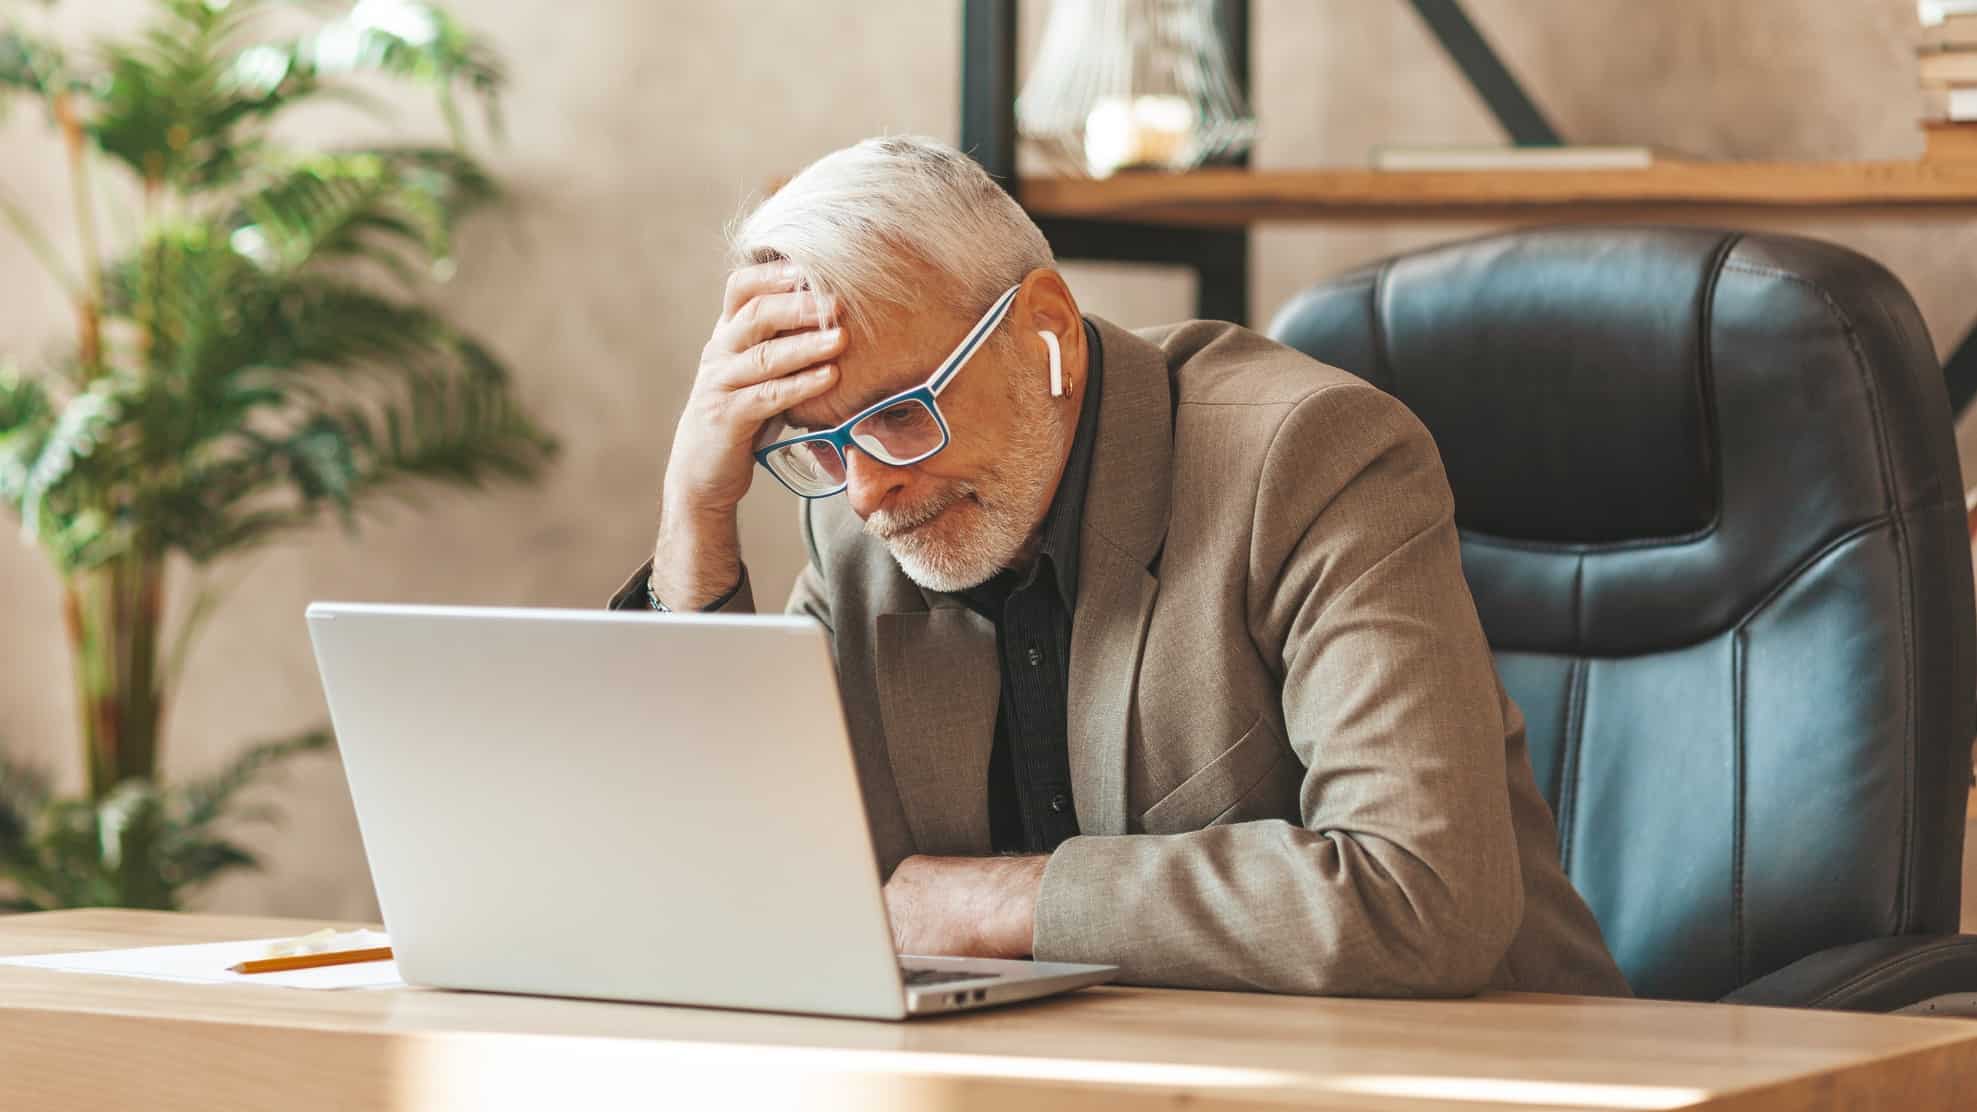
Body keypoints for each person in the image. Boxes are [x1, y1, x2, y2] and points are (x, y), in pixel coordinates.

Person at [612, 135, 1631, 997]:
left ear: (1045, 333)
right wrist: (693, 520)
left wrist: (992, 903)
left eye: (904, 418)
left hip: (1471, 1075)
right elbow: (731, 894)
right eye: (819, 446)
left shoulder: (1311, 458)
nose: (869, 489)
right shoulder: (856, 520)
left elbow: (1419, 892)